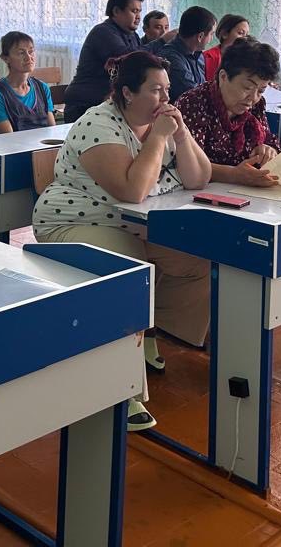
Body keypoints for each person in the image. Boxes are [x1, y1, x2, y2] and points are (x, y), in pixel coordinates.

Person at [33, 50, 211, 431]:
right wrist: (159, 138)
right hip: (72, 222)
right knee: (132, 275)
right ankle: (121, 389)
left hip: (134, 225)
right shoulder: (98, 123)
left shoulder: (161, 124)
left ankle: (148, 332)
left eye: (168, 89)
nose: (166, 99)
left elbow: (199, 178)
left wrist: (181, 134)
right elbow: (132, 190)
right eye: (156, 90)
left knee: (195, 261)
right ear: (128, 93)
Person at [176, 38, 281, 186]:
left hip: (247, 189)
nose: (253, 98)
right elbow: (188, 163)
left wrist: (268, 151)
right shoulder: (194, 103)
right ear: (223, 77)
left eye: (261, 91)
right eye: (247, 87)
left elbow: (269, 140)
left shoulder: (256, 105)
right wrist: (234, 175)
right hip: (202, 191)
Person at [62, 0, 144, 124]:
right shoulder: (103, 32)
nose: (138, 17)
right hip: (85, 105)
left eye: (139, 12)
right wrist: (162, 41)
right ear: (116, 11)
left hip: (108, 103)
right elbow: (129, 59)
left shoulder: (133, 35)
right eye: (134, 11)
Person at [0, 31, 56, 134]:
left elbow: (52, 130)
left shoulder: (42, 88)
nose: (28, 57)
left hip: (44, 143)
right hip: (14, 144)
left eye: (31, 51)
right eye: (21, 53)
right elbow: (9, 137)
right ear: (6, 58)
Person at [146, 6, 215, 101]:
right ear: (200, 36)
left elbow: (204, 89)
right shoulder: (171, 57)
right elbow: (195, 95)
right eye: (211, 34)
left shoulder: (199, 55)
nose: (211, 39)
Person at [203, 14, 250, 82]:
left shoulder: (247, 60)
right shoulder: (206, 57)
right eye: (240, 33)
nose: (245, 38)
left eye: (247, 35)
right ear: (225, 34)